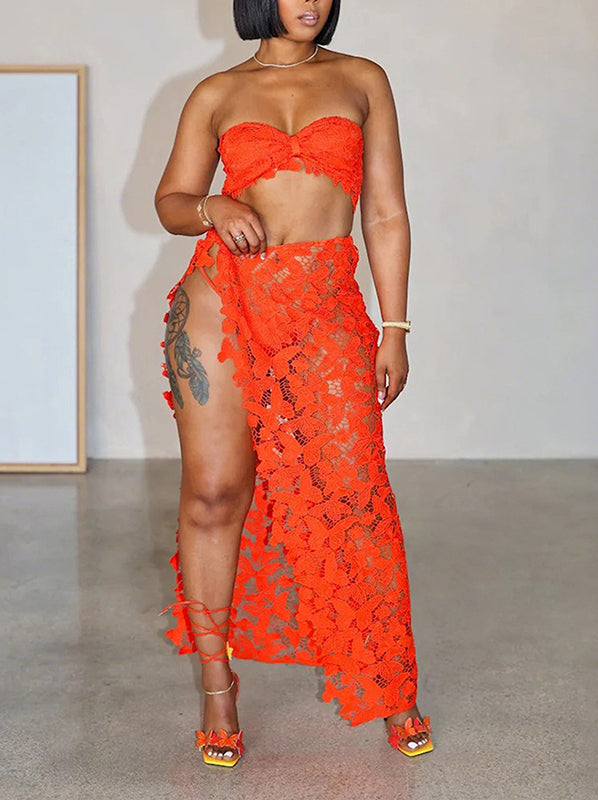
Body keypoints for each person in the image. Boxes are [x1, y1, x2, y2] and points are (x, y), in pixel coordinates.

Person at [154, 0, 433, 768]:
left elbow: (385, 213)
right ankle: (218, 687)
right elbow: (171, 203)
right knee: (214, 495)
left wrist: (395, 326)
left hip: (323, 305)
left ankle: (390, 679)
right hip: (221, 304)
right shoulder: (217, 92)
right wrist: (210, 205)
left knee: (355, 496)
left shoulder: (362, 79)